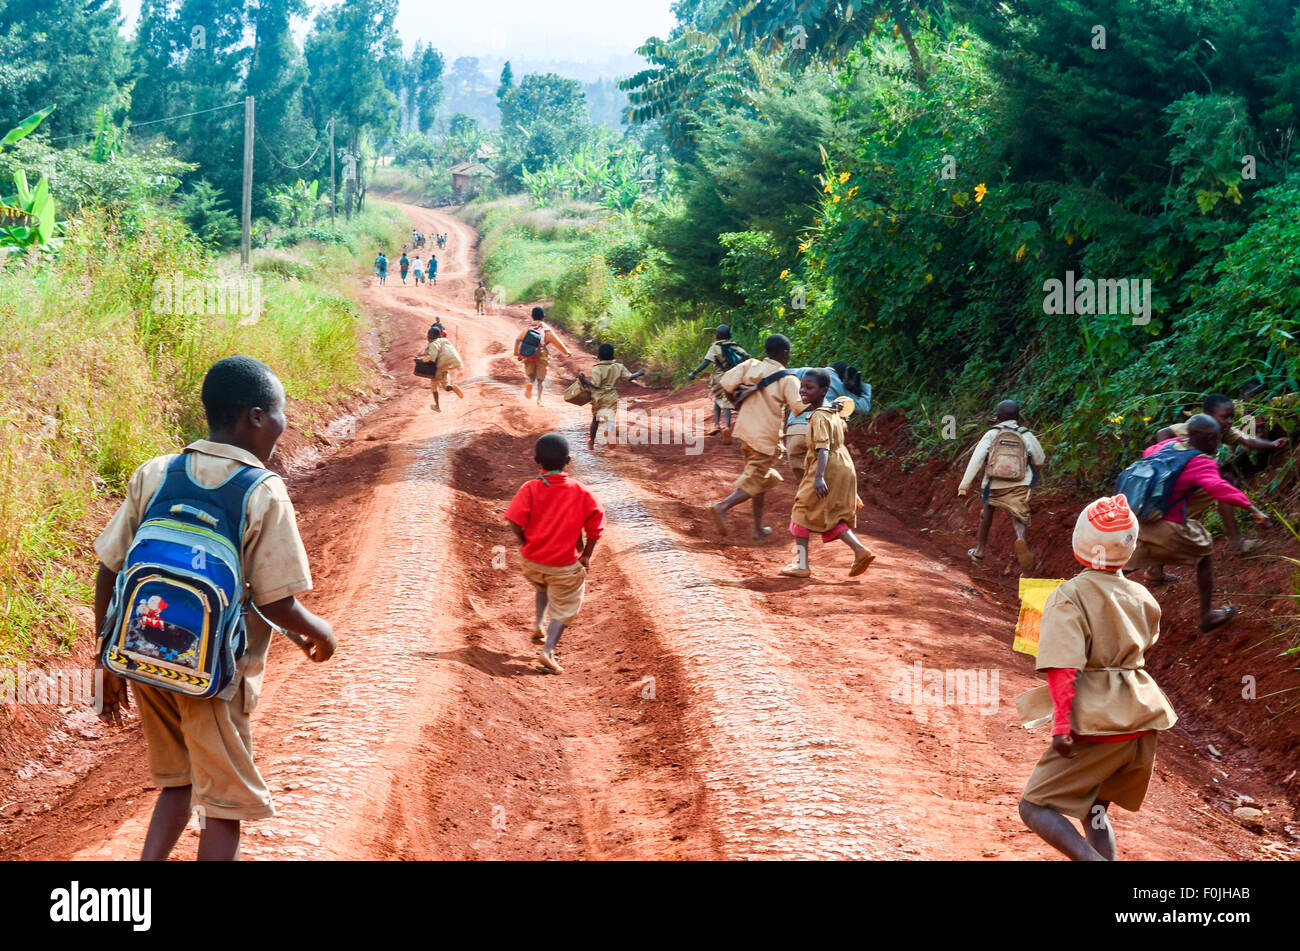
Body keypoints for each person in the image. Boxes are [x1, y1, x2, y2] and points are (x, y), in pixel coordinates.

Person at [92, 356, 336, 861]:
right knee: (225, 806)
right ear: (256, 417)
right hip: (214, 675)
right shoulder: (262, 490)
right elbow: (277, 600)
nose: (283, 423)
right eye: (280, 411)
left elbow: (110, 569)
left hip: (143, 656)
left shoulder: (158, 471)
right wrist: (322, 632)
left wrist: (105, 654)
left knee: (178, 783)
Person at [1016, 494, 1177, 861]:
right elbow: (1142, 645)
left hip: (1099, 723)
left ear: (1079, 542)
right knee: (1095, 810)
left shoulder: (1068, 595)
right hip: (1141, 717)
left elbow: (1064, 666)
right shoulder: (1142, 595)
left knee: (1034, 807)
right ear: (1131, 546)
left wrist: (1060, 727)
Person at [1123, 414, 1269, 631]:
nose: (1217, 443)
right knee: (1205, 552)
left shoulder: (1163, 447)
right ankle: (1207, 615)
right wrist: (1253, 508)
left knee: (1120, 565)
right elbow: (1220, 488)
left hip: (1137, 520)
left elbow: (1150, 459)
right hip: (1167, 526)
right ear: (1203, 438)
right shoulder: (1200, 462)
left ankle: (1081, 595)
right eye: (1213, 439)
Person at [503, 433, 606, 674]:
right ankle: (548, 650)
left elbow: (513, 519)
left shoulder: (529, 488)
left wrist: (524, 541)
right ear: (569, 460)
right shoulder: (581, 491)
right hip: (563, 565)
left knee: (542, 585)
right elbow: (596, 523)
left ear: (536, 460)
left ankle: (539, 624)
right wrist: (586, 555)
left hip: (532, 561)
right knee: (566, 604)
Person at [1155, 393, 1287, 555]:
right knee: (1174, 520)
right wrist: (1168, 459)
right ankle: (1236, 544)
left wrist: (1272, 444)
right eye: (1225, 417)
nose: (1230, 421)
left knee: (1179, 518)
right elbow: (1163, 432)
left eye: (1231, 417)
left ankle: (1236, 543)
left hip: (1196, 481)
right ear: (1208, 416)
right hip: (1180, 481)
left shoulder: (1225, 430)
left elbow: (1248, 441)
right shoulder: (1194, 427)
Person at [709, 333, 805, 542]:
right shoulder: (789, 379)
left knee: (758, 479)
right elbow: (798, 408)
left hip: (745, 431)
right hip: (764, 436)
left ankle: (758, 528)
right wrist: (822, 404)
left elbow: (726, 382)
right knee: (756, 477)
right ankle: (722, 506)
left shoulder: (751, 365)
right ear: (785, 353)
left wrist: (738, 396)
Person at [780, 369, 875, 578]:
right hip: (843, 465)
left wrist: (819, 477)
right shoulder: (832, 412)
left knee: (801, 511)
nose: (803, 391)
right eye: (802, 387)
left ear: (824, 390)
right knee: (827, 514)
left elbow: (822, 449)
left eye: (809, 387)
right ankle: (860, 550)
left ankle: (802, 565)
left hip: (827, 467)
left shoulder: (818, 418)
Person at [957, 399, 1046, 571]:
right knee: (1019, 515)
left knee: (987, 512)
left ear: (998, 417)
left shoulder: (992, 434)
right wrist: (1032, 473)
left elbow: (976, 460)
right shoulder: (1026, 434)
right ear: (1018, 416)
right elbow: (1040, 459)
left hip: (994, 483)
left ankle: (980, 550)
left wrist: (964, 486)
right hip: (1020, 482)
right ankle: (1021, 538)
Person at [784, 361, 870, 485]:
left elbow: (781, 372)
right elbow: (864, 407)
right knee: (827, 483)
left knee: (805, 485)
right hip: (820, 433)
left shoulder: (805, 372)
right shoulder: (838, 384)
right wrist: (862, 387)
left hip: (794, 433)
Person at [687, 325, 748, 444]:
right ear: (729, 334)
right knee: (721, 400)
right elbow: (746, 356)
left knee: (722, 401)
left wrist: (694, 372)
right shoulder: (734, 346)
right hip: (734, 377)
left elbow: (706, 362)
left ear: (717, 335)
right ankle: (720, 425)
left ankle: (724, 426)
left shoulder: (715, 347)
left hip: (720, 378)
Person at [579, 343, 646, 450]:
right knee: (610, 419)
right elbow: (629, 377)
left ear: (598, 356)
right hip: (612, 397)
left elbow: (595, 385)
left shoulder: (597, 369)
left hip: (598, 398)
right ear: (613, 356)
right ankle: (610, 434)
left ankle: (591, 441)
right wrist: (639, 373)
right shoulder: (618, 367)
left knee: (595, 419)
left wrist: (584, 380)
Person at [514, 306, 571, 404]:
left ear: (532, 316)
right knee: (541, 380)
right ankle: (539, 399)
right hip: (542, 355)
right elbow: (557, 342)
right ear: (543, 316)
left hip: (529, 355)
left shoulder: (528, 328)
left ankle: (530, 383)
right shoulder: (547, 330)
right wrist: (566, 352)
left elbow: (518, 340)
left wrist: (517, 353)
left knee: (531, 375)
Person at [417, 322, 465, 413]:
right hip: (445, 366)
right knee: (446, 386)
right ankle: (452, 387)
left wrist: (421, 360)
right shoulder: (443, 340)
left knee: (434, 386)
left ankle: (437, 406)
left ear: (430, 336)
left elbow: (431, 357)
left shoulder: (433, 344)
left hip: (438, 367)